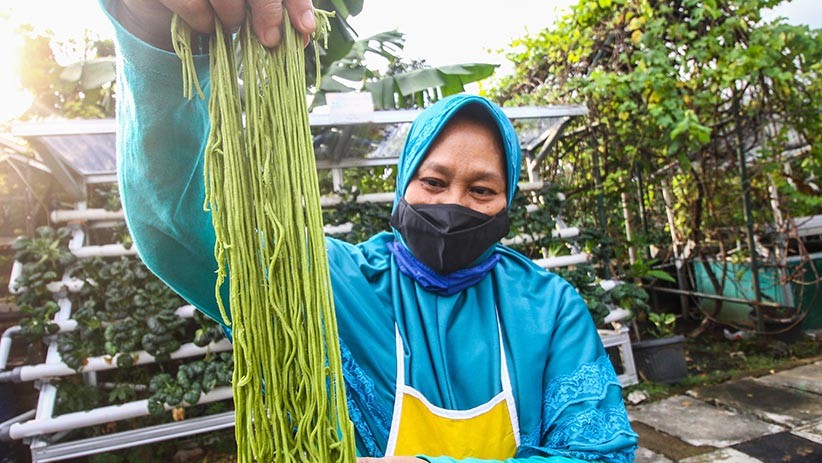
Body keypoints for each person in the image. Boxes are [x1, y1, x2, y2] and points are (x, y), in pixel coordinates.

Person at [100, 1, 639, 462]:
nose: (453, 203)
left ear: (508, 201)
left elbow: (600, 453)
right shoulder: (326, 281)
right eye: (433, 180)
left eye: (481, 190)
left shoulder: (548, 308)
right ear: (403, 184)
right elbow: (180, 219)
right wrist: (152, 30)